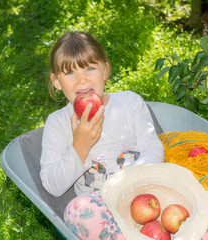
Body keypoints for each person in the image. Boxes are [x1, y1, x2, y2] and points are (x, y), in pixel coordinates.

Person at [40, 31, 164, 240]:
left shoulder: (129, 103)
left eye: (90, 68)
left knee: (205, 192)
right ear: (57, 82)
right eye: (70, 73)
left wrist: (128, 182)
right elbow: (53, 186)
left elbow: (154, 148)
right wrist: (80, 147)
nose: (82, 79)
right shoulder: (58, 123)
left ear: (105, 70)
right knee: (77, 211)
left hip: (144, 192)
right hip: (104, 212)